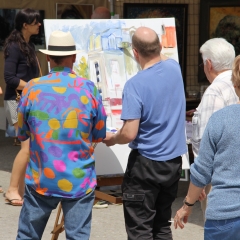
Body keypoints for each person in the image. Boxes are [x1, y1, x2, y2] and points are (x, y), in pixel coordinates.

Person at [16, 30, 106, 240]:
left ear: (47, 57)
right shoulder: (89, 89)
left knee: (27, 236)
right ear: (74, 57)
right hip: (79, 180)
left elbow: (22, 133)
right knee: (77, 237)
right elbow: (99, 133)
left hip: (42, 178)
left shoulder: (32, 88)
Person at [103, 27, 187, 240]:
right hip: (172, 162)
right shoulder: (174, 68)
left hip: (146, 165)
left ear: (135, 52)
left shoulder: (135, 85)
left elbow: (130, 133)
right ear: (159, 47)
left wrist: (112, 139)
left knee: (140, 230)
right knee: (161, 225)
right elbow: (162, 56)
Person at [173, 55, 240, 240]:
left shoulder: (220, 120)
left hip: (225, 215)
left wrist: (187, 205)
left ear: (235, 86)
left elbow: (202, 170)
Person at [191, 38, 238, 220]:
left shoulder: (215, 91)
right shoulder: (235, 84)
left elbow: (205, 142)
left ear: (208, 64)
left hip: (219, 181)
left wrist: (199, 182)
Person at [3, 8, 42, 206]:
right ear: (25, 25)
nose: (39, 24)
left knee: (30, 146)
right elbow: (9, 78)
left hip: (26, 100)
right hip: (15, 101)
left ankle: (18, 189)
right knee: (27, 147)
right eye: (35, 21)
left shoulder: (28, 45)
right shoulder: (14, 47)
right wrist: (35, 85)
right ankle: (11, 190)